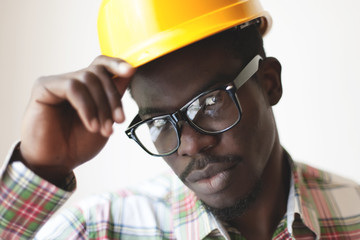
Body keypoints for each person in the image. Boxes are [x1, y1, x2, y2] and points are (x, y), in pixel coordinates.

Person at [1, 0, 359, 239]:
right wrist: (41, 169)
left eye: (210, 102)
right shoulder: (97, 230)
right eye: (158, 123)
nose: (191, 144)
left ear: (269, 83)